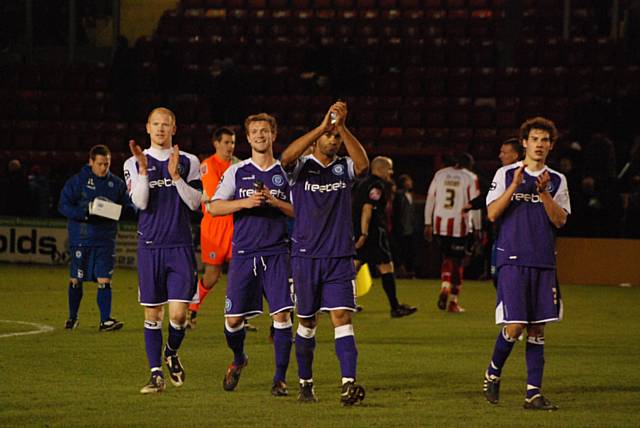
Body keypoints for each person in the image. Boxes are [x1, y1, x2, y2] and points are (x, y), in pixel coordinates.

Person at [280, 101, 369, 406]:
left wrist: (341, 126)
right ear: (317, 139)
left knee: (342, 318)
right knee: (306, 323)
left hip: (339, 257)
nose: (333, 140)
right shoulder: (301, 168)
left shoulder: (344, 168)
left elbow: (364, 167)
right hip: (305, 258)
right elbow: (286, 157)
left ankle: (348, 384)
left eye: (336, 138)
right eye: (329, 137)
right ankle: (306, 383)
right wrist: (322, 126)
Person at [482, 117, 570, 411]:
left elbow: (560, 220)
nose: (540, 145)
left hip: (543, 260)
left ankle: (533, 393)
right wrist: (517, 186)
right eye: (535, 139)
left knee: (538, 329)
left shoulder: (557, 179)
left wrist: (543, 192)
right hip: (512, 258)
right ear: (524, 143)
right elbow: (493, 214)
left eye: (545, 140)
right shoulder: (506, 173)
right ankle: (493, 372)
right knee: (516, 325)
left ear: (551, 145)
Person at [206, 113, 295, 396]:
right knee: (232, 321)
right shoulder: (237, 171)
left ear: (273, 135)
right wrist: (245, 202)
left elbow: (301, 212)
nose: (259, 135)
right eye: (254, 131)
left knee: (282, 317)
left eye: (265, 131)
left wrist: (274, 201)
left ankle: (279, 379)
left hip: (278, 253)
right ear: (248, 137)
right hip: (244, 254)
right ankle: (238, 358)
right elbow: (214, 207)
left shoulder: (286, 172)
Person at [124, 107, 202, 394]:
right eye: (155, 124)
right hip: (150, 247)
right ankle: (155, 373)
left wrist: (176, 177)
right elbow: (141, 203)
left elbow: (195, 204)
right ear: (147, 127)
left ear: (174, 128)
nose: (160, 129)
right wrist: (144, 171)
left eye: (165, 124)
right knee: (152, 314)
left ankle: (171, 352)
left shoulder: (189, 161)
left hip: (180, 246)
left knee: (179, 315)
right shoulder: (132, 162)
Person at [58, 145, 131, 332]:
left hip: (105, 240)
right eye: (100, 164)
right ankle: (72, 318)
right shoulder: (78, 181)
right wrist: (85, 212)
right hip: (81, 238)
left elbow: (130, 207)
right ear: (91, 162)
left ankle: (105, 320)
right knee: (76, 279)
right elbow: (63, 205)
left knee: (104, 279)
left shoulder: (116, 184)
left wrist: (119, 211)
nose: (103, 168)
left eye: (107, 164)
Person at [187, 127, 242, 328]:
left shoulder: (239, 165)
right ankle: (192, 309)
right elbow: (217, 197)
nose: (230, 147)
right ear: (216, 143)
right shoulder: (207, 166)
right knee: (212, 276)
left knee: (241, 273)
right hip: (215, 225)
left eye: (233, 143)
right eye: (226, 142)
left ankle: (239, 316)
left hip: (236, 225)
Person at [352, 157, 417, 318]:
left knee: (351, 269)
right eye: (389, 169)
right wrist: (364, 233)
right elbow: (367, 209)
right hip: (372, 233)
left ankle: (336, 303)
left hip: (358, 230)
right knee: (386, 267)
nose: (391, 172)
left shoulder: (362, 183)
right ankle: (395, 307)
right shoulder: (377, 186)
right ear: (381, 169)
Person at [424, 154, 481, 312]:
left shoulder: (440, 174)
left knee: (447, 258)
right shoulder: (470, 177)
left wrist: (427, 222)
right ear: (468, 165)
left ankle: (445, 286)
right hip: (459, 225)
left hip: (439, 223)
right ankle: (453, 301)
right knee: (458, 262)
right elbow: (474, 203)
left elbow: (430, 198)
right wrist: (478, 227)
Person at [392, 173, 417, 278]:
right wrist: (399, 225)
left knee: (409, 250)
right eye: (408, 181)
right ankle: (401, 271)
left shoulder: (410, 195)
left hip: (410, 228)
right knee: (401, 249)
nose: (410, 183)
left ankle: (408, 270)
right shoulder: (399, 195)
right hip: (402, 228)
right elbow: (397, 212)